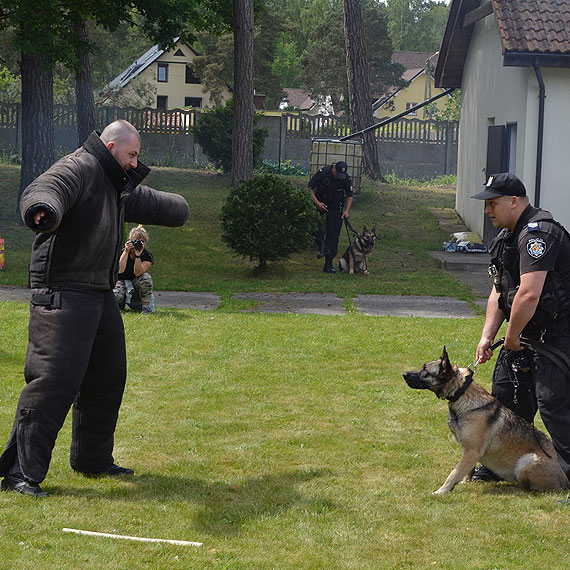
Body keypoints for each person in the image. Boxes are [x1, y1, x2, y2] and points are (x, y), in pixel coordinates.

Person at [0, 120, 189, 497]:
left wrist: (179, 209)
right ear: (112, 145)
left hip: (99, 293)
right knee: (52, 382)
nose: (136, 163)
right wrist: (43, 208)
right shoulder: (79, 167)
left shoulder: (114, 183)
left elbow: (150, 201)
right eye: (132, 155)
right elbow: (45, 188)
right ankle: (21, 473)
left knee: (106, 378)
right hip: (62, 291)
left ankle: (93, 460)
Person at [472, 172, 570, 483]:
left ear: (514, 201)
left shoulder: (539, 234)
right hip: (526, 333)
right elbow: (499, 292)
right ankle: (498, 463)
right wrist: (488, 336)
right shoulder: (505, 238)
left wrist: (512, 336)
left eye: (493, 203)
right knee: (505, 398)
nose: (488, 210)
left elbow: (530, 293)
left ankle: (565, 474)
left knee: (553, 403)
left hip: (556, 335)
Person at [308, 160, 354, 273]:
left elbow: (350, 195)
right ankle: (322, 245)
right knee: (312, 224)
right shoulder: (323, 173)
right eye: (337, 174)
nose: (339, 177)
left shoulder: (345, 178)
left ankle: (328, 265)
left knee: (333, 236)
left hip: (335, 206)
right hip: (320, 202)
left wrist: (347, 211)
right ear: (333, 168)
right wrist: (317, 203)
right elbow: (310, 189)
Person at [114, 225, 154, 314]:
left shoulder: (147, 256)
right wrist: (126, 251)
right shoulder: (121, 252)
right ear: (129, 241)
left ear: (145, 243)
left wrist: (137, 255)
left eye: (141, 241)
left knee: (146, 277)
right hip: (121, 283)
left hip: (136, 285)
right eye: (135, 241)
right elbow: (120, 270)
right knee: (116, 294)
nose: (138, 244)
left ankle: (146, 307)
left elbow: (138, 273)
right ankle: (119, 305)